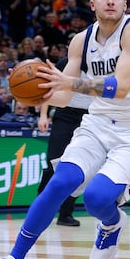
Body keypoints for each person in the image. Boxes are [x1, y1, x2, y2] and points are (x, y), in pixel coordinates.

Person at [0, 0, 130, 259]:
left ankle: (110, 223)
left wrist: (68, 82)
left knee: (97, 199)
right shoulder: (81, 40)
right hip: (97, 122)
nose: (111, 1)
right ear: (93, 3)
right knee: (60, 182)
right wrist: (30, 92)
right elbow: (65, 94)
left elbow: (120, 87)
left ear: (125, 2)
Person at [37, 56, 92, 227]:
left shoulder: (103, 62)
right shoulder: (66, 62)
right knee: (54, 161)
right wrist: (44, 115)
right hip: (65, 113)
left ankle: (65, 214)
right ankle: (40, 208)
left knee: (79, 167)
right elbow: (49, 88)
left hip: (90, 116)